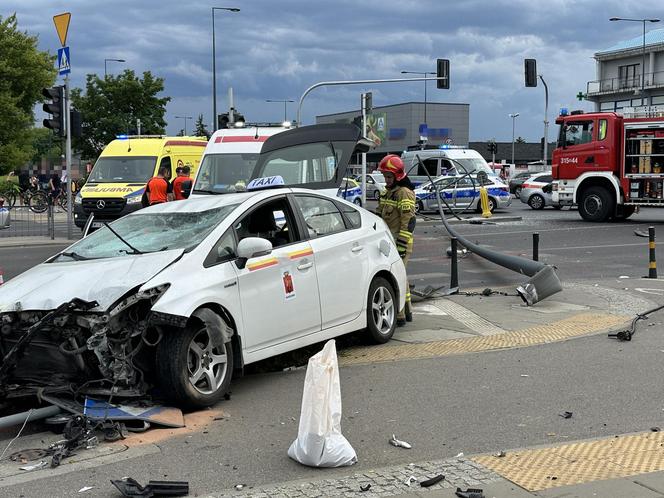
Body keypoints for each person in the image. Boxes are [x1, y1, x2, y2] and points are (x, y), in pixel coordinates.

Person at [375, 154, 416, 326]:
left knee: (397, 276)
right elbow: (379, 215)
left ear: (397, 175)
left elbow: (408, 222)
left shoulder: (404, 193)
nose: (386, 179)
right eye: (385, 176)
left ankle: (399, 315)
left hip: (400, 242)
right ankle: (407, 311)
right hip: (389, 242)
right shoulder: (387, 192)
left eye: (389, 176)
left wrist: (401, 244)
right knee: (400, 275)